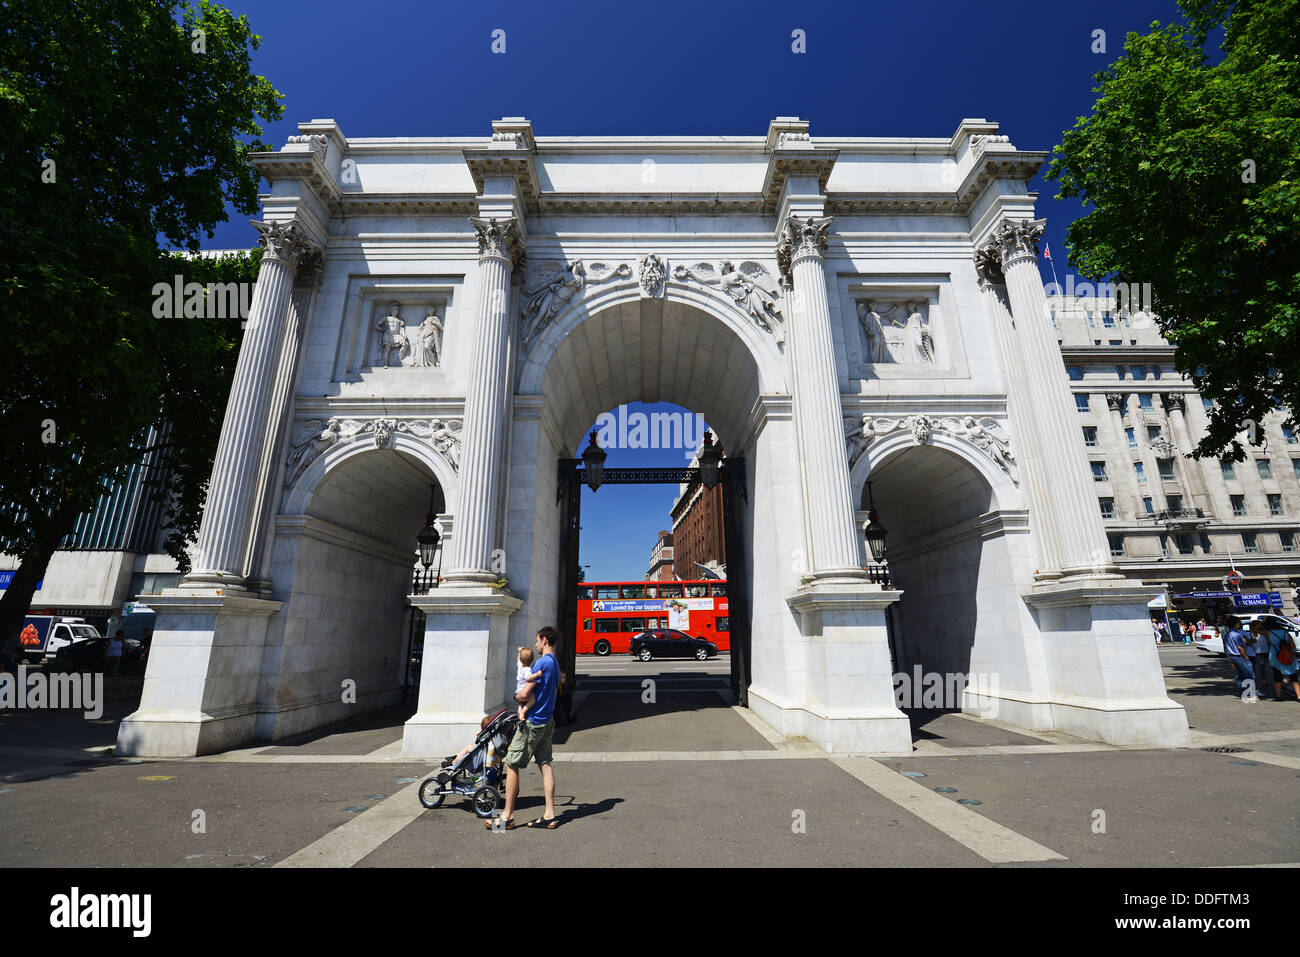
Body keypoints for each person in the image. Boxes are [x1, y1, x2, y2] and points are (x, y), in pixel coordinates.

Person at [488, 626, 561, 830]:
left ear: (545, 640)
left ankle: (507, 817)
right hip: (547, 720)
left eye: (538, 641)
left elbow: (524, 694)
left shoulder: (542, 662)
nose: (536, 644)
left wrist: (516, 698)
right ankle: (549, 814)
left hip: (533, 722)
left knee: (511, 763)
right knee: (545, 764)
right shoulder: (554, 663)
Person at [1255, 620, 1300, 702]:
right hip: (1288, 656)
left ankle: (1279, 696)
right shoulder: (1285, 632)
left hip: (1275, 657)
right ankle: (1299, 696)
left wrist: (1261, 623)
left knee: (1277, 676)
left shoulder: (1268, 633)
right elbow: (1293, 646)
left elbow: (1256, 630)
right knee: (1293, 677)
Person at [1223, 617, 1254, 697]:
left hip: (1232, 656)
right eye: (1238, 622)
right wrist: (1246, 657)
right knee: (1249, 674)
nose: (1240, 624)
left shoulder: (1228, 633)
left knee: (1240, 675)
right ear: (1235, 624)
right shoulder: (1236, 634)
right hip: (1239, 656)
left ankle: (1243, 692)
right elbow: (1240, 647)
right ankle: (1249, 693)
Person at [515, 646, 542, 722]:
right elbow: (528, 678)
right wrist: (537, 675)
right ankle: (523, 712)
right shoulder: (527, 669)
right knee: (532, 700)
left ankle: (519, 709)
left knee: (521, 702)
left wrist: (519, 652)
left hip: (518, 690)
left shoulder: (520, 666)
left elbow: (518, 660)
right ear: (532, 660)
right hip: (523, 691)